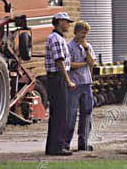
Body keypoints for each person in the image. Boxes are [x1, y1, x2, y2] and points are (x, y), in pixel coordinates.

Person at [45, 12, 75, 156]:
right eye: (66, 21)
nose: (68, 24)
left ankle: (53, 145)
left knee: (57, 112)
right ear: (59, 22)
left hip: (56, 78)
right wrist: (68, 79)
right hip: (57, 78)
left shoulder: (57, 38)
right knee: (60, 113)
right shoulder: (56, 39)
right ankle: (57, 146)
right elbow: (59, 61)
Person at [65, 21, 96, 151]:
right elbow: (69, 65)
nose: (84, 36)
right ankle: (65, 143)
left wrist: (86, 50)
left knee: (87, 113)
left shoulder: (87, 46)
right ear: (76, 32)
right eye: (83, 33)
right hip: (74, 84)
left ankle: (84, 142)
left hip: (86, 83)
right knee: (71, 114)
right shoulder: (69, 46)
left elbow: (92, 63)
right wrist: (83, 64)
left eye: (86, 33)